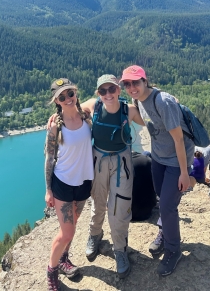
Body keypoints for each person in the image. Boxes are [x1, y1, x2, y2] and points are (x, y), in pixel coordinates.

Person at [120, 65, 194, 277]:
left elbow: (179, 139)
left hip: (176, 160)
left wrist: (183, 172)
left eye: (136, 82)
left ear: (145, 80)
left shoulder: (162, 101)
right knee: (163, 199)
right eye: (127, 84)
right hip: (159, 158)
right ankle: (165, 231)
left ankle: (173, 250)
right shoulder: (138, 100)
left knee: (168, 206)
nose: (132, 87)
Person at [81, 74, 144, 279]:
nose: (107, 94)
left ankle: (119, 249)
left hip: (122, 163)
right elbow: (72, 111)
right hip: (98, 159)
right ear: (98, 93)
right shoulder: (94, 106)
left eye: (111, 89)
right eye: (103, 91)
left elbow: (153, 121)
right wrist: (55, 116)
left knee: (119, 209)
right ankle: (95, 235)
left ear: (118, 90)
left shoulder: (130, 110)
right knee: (98, 202)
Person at [44, 78, 94, 291]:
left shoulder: (86, 116)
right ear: (56, 100)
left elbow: (98, 98)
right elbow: (49, 158)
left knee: (72, 227)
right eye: (62, 96)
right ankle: (52, 270)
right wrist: (48, 189)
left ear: (76, 93)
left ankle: (64, 259)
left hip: (83, 182)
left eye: (70, 93)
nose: (67, 99)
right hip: (63, 183)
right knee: (67, 233)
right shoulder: (56, 125)